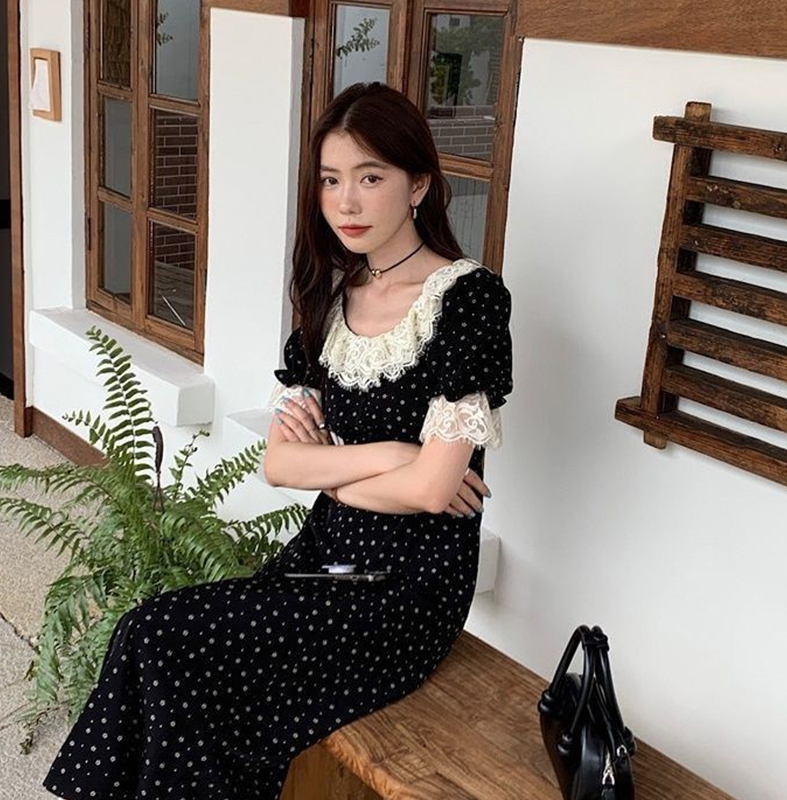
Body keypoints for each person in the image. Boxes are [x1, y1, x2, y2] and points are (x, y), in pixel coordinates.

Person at [43, 81, 513, 800]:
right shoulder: (332, 297)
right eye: (331, 180)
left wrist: (340, 469)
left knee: (165, 640)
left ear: (418, 184)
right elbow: (280, 464)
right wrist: (391, 457)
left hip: (406, 587)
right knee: (151, 636)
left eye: (370, 178)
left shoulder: (467, 301)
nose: (346, 202)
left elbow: (430, 492)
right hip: (326, 555)